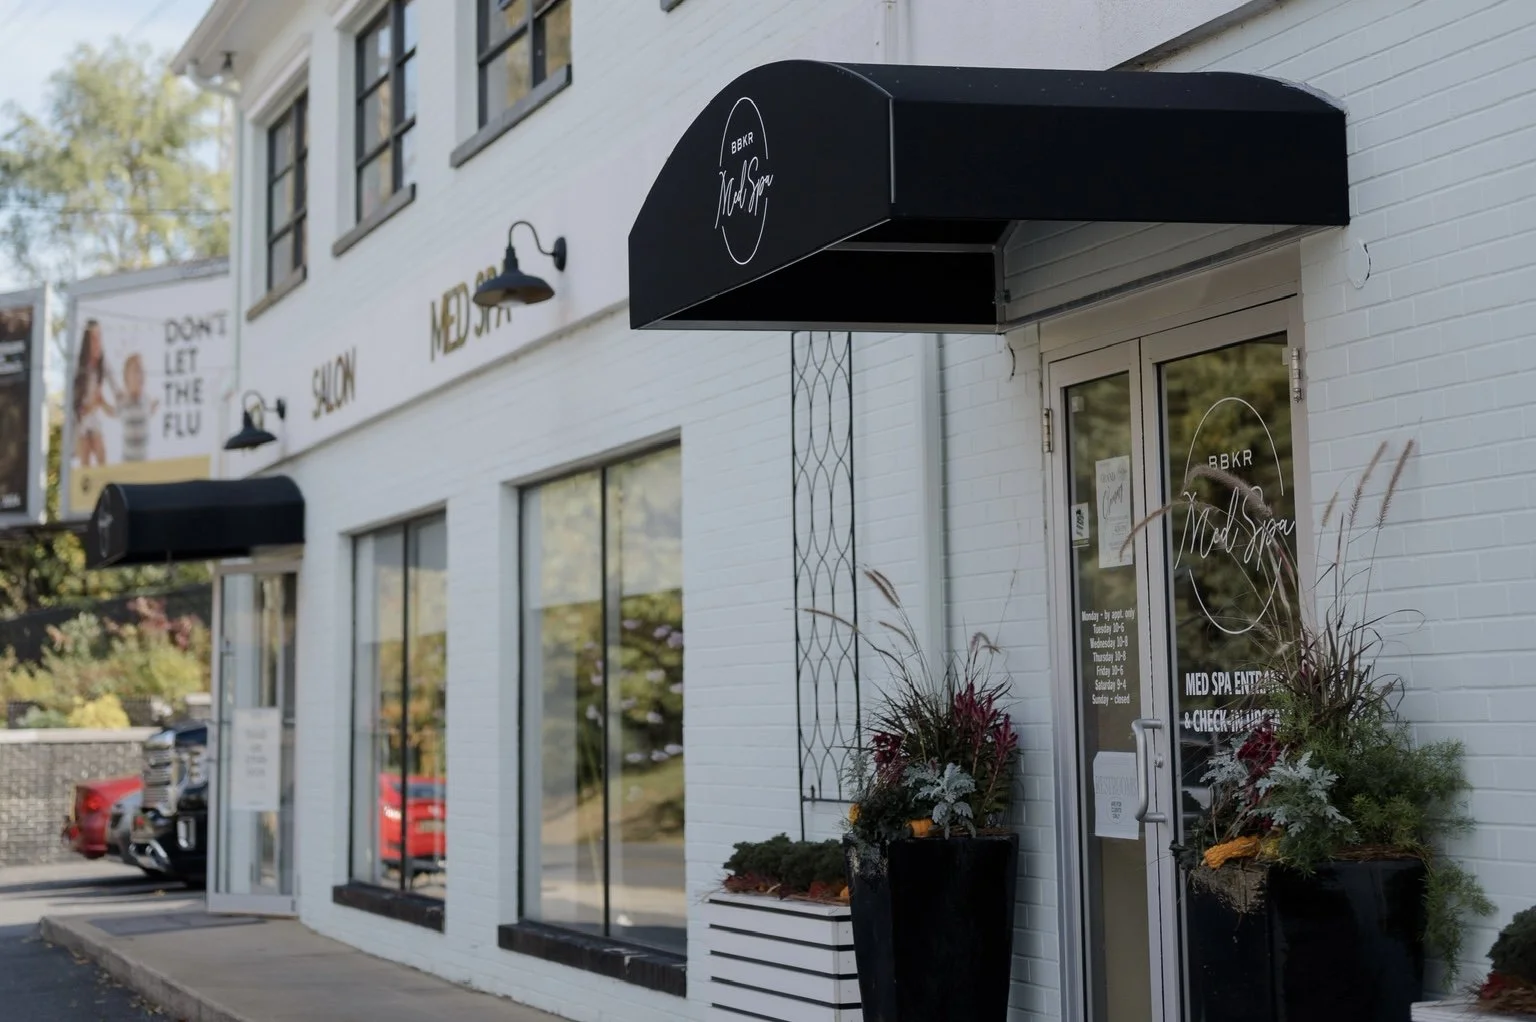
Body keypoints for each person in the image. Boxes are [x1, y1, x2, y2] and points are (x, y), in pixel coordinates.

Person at [70, 320, 117, 467]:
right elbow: (76, 406)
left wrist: (105, 404)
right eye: (94, 338)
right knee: (85, 462)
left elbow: (115, 387)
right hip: (81, 422)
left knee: (101, 456)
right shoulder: (79, 369)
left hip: (93, 418)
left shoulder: (102, 365)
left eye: (99, 337)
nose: (97, 343)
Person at [115, 354, 157, 462]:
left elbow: (150, 410)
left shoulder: (146, 400)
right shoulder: (124, 401)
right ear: (126, 377)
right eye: (136, 370)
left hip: (143, 461)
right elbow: (113, 412)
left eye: (142, 371)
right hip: (128, 462)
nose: (140, 375)